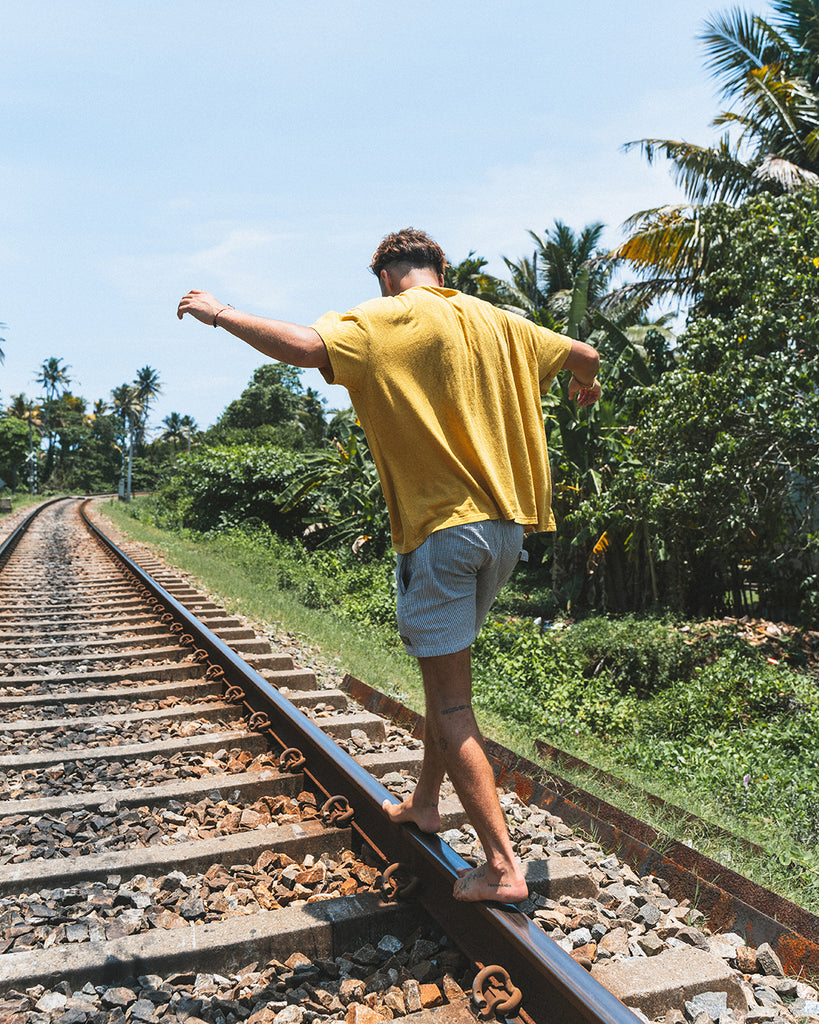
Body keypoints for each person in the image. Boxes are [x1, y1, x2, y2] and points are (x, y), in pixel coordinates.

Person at [177, 228, 601, 903]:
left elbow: (305, 347)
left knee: (453, 703)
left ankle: (501, 867)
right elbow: (583, 351)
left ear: (385, 275)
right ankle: (425, 804)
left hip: (442, 533)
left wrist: (219, 312)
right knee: (445, 683)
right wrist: (585, 384)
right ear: (439, 269)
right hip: (506, 531)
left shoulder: (384, 317)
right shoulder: (499, 321)